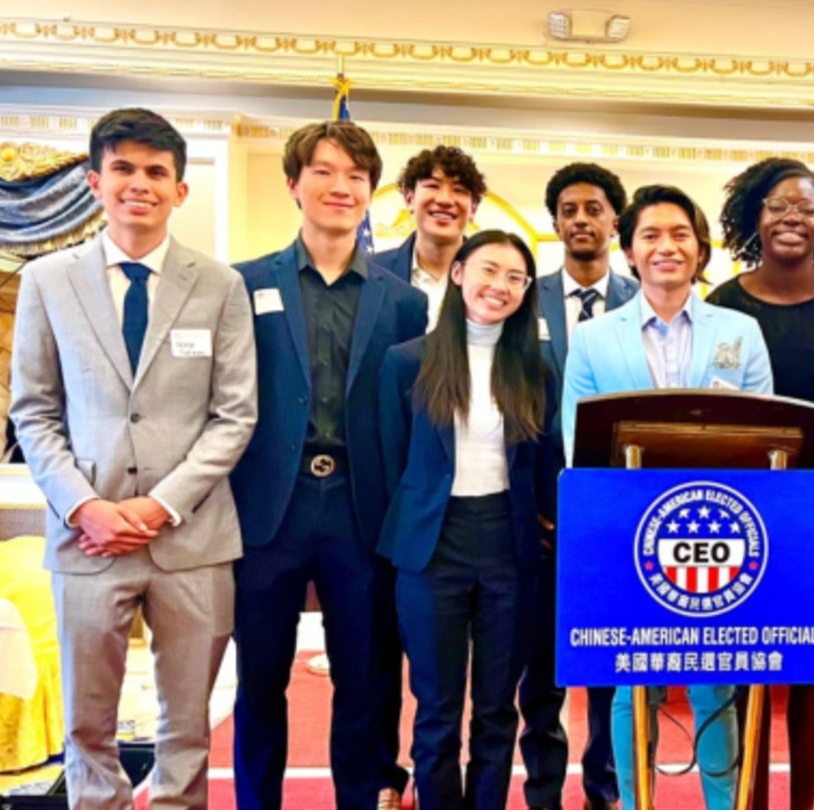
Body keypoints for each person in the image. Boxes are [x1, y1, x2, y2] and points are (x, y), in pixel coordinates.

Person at [9, 107, 258, 809]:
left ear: (181, 190)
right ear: (94, 181)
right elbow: (34, 410)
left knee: (188, 726)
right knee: (88, 723)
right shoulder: (48, 282)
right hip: (86, 540)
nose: (139, 184)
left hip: (194, 539)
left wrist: (160, 505)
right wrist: (86, 506)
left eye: (156, 171)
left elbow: (234, 415)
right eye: (123, 168)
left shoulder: (220, 287)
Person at [230, 120, 429, 810]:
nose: (339, 187)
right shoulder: (243, 284)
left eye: (355, 176)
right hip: (268, 513)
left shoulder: (404, 301)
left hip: (360, 510)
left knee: (365, 681)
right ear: (294, 184)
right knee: (259, 681)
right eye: (323, 171)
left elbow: (410, 414)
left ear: (372, 193)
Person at [563, 184, 773, 810]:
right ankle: (634, 803)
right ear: (629, 252)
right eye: (651, 235)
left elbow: (766, 437)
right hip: (629, 539)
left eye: (680, 234)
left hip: (720, 539)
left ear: (700, 249)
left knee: (716, 682)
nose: (666, 246)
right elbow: (579, 442)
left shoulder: (741, 330)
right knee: (635, 684)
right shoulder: (596, 338)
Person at [707, 156, 814, 810]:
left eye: (806, 208)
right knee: (746, 670)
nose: (792, 219)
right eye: (779, 205)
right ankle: (747, 801)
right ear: (755, 214)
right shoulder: (723, 302)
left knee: (808, 669)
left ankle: (800, 804)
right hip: (737, 510)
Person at [378, 230, 557, 810]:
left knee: (498, 707)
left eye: (515, 278)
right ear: (457, 274)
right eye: (488, 270)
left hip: (509, 547)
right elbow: (389, 460)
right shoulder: (407, 362)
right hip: (432, 549)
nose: (499, 286)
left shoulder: (534, 367)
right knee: (436, 710)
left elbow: (543, 461)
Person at [520, 162, 637, 810]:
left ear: (614, 222)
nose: (581, 219)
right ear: (555, 221)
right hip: (537, 516)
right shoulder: (521, 297)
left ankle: (606, 789)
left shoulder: (642, 299)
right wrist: (537, 503)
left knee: (610, 669)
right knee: (542, 673)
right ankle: (542, 795)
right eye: (569, 209)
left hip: (618, 517)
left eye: (594, 208)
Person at [375, 145, 486, 331]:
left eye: (458, 190)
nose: (445, 200)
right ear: (409, 199)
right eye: (433, 186)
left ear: (473, 208)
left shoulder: (491, 279)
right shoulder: (373, 272)